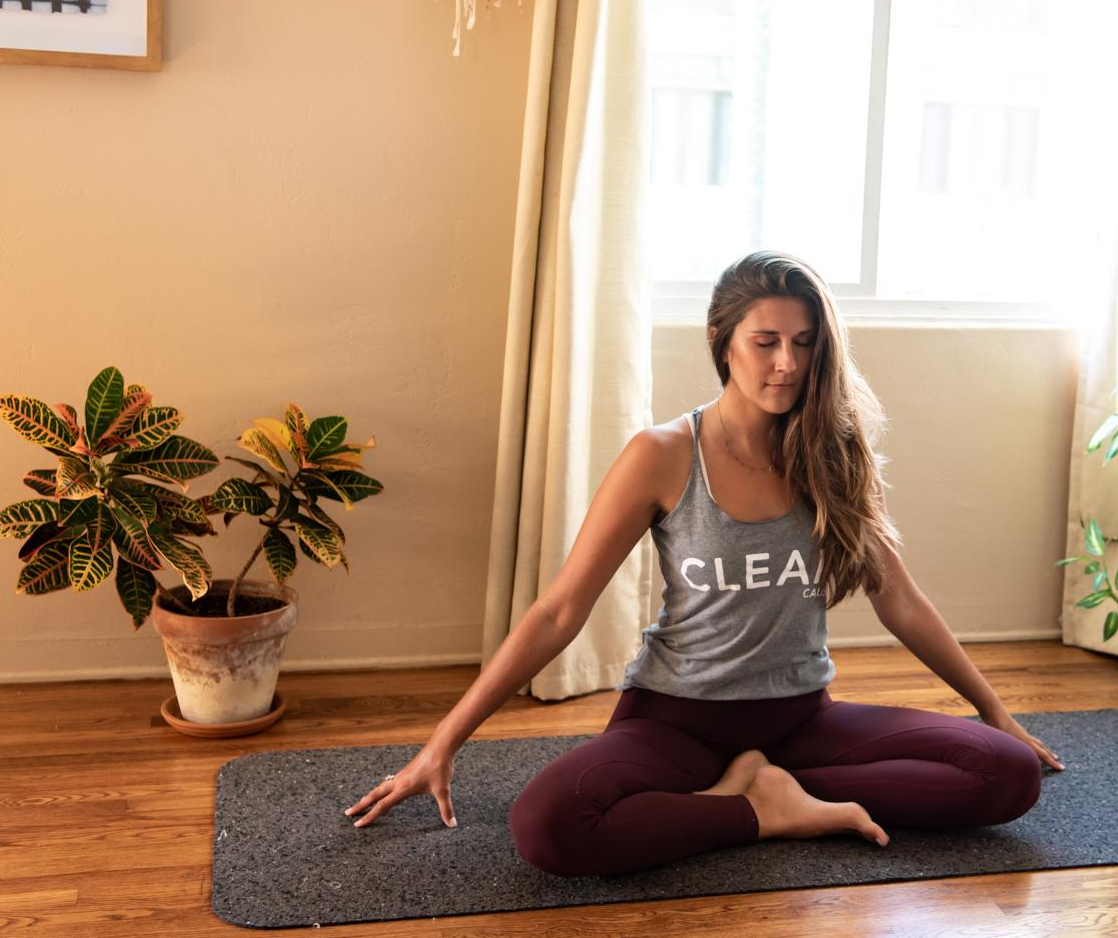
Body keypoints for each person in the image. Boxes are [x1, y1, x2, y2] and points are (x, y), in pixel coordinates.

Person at [346, 251, 1064, 877]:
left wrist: (993, 710)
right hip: (677, 721)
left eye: (804, 343)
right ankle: (764, 812)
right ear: (722, 342)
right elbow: (560, 610)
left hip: (800, 720)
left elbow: (898, 599)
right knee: (548, 826)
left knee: (1007, 774)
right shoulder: (661, 455)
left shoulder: (832, 453)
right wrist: (443, 744)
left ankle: (772, 786)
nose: (786, 363)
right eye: (765, 342)